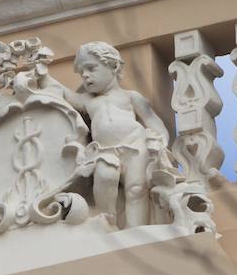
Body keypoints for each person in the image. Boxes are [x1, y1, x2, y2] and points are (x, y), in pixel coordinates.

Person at [56, 41, 170, 228]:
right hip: (106, 150)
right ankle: (107, 220)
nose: (85, 75)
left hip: (136, 146)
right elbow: (64, 94)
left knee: (136, 189)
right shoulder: (87, 100)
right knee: (105, 175)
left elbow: (153, 122)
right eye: (82, 72)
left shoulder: (130, 96)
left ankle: (137, 230)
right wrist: (43, 77)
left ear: (113, 66)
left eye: (91, 68)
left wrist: (160, 142)